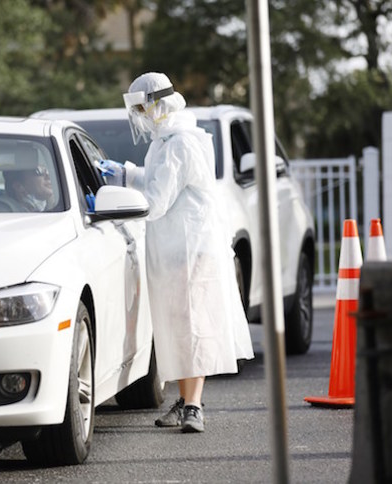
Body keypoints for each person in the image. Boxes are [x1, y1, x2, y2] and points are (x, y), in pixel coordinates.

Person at [99, 72, 254, 433]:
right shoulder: (165, 141)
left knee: (193, 326)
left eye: (141, 106)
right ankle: (185, 401)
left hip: (191, 249)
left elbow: (157, 200)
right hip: (174, 249)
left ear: (158, 104)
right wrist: (124, 173)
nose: (139, 114)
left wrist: (120, 195)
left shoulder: (181, 142)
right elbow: (155, 178)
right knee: (178, 329)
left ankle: (194, 406)